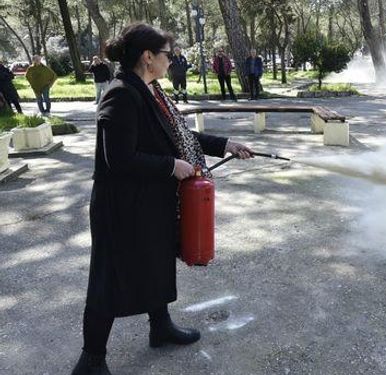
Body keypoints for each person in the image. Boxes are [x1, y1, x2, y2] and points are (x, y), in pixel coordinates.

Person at [71, 22, 254, 375]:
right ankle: (91, 359)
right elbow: (119, 159)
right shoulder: (122, 93)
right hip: (121, 208)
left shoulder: (152, 90)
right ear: (147, 57)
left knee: (156, 263)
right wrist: (171, 166)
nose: (172, 60)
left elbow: (178, 135)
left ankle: (160, 327)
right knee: (110, 279)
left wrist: (225, 145)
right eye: (168, 55)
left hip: (150, 201)